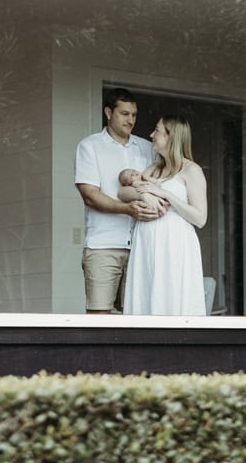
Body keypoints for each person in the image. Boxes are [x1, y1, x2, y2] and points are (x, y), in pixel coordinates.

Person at [74, 88, 160, 314]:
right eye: (124, 113)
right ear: (108, 112)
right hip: (104, 245)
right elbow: (89, 195)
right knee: (99, 315)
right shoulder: (90, 146)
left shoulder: (146, 148)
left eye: (133, 114)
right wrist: (127, 209)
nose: (130, 120)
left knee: (139, 316)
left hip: (142, 245)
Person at [119, 115, 207, 315]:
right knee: (146, 297)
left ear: (171, 137)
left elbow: (200, 218)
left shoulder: (191, 171)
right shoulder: (153, 168)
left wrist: (165, 194)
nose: (151, 134)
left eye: (157, 130)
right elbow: (122, 192)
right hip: (146, 243)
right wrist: (145, 193)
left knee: (171, 297)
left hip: (174, 244)